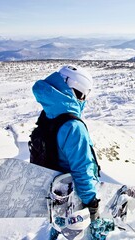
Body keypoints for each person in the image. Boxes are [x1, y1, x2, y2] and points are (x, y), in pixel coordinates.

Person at [32, 65, 101, 238]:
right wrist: (91, 202)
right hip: (75, 196)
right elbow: (82, 168)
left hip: (55, 194)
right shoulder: (73, 126)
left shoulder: (49, 114)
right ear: (77, 92)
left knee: (58, 230)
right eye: (83, 96)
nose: (84, 100)